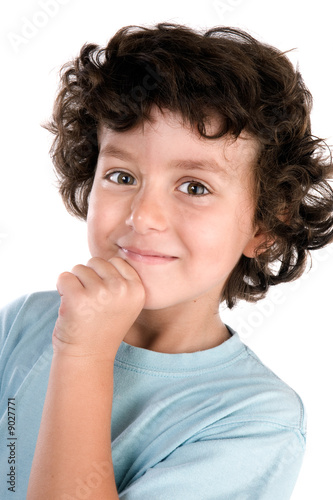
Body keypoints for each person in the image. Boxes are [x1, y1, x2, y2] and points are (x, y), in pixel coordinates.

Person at [1, 23, 332, 500]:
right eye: (121, 175)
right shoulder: (24, 324)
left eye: (194, 187)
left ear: (264, 226)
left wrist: (84, 355)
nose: (144, 215)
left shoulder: (255, 420)